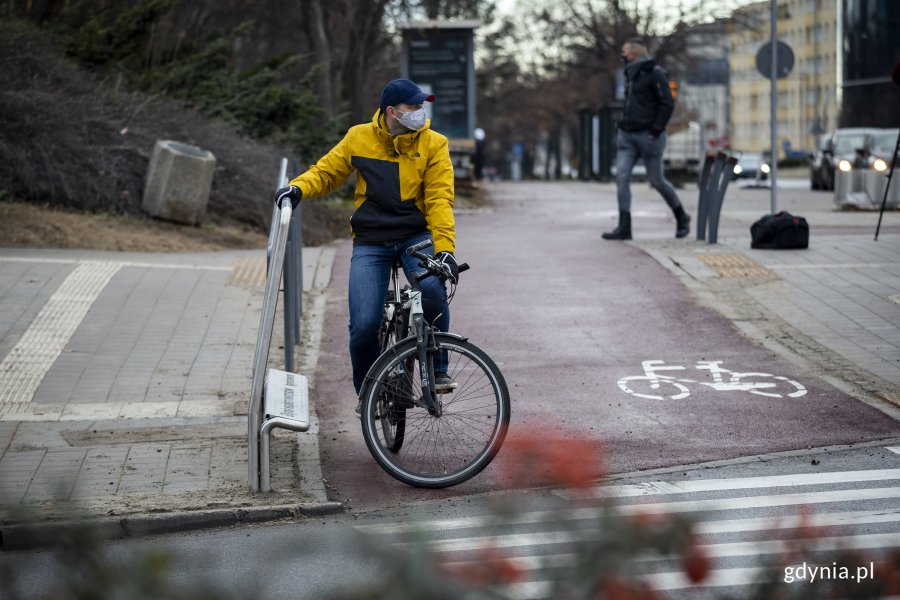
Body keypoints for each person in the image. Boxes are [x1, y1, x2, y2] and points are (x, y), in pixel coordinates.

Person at [273, 78, 459, 416]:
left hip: (415, 237)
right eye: (413, 106)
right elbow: (326, 172)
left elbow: (439, 197)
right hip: (371, 240)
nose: (420, 112)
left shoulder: (434, 143)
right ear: (391, 112)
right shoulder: (359, 137)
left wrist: (444, 248)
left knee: (432, 286)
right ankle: (369, 393)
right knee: (363, 326)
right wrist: (296, 189)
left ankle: (438, 368)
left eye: (422, 106)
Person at [603, 38, 691, 241]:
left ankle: (681, 217)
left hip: (649, 136)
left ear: (633, 54)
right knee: (621, 178)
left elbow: (667, 103)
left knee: (657, 181)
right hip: (628, 136)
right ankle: (624, 227)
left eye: (624, 51)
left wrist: (655, 129)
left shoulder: (655, 73)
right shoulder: (630, 74)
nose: (622, 55)